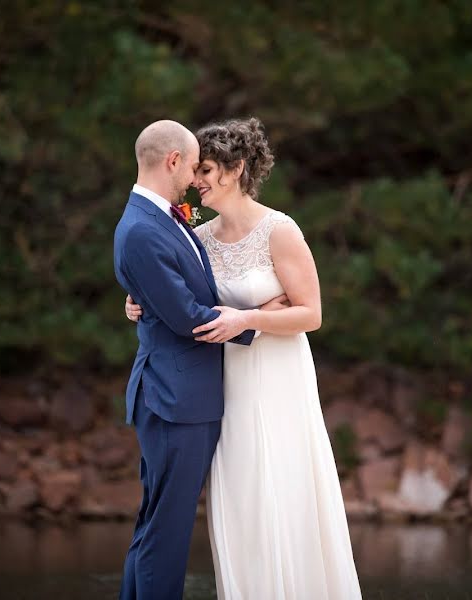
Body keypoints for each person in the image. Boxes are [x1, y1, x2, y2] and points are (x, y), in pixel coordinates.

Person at [124, 117, 362, 599]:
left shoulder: (280, 229)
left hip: (276, 379)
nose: (196, 181)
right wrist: (137, 300)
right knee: (240, 499)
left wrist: (248, 320)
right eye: (195, 170)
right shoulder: (199, 236)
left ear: (233, 171)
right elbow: (175, 288)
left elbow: (311, 314)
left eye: (206, 170)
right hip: (223, 381)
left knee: (281, 488)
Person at [113, 120, 266, 600]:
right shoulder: (142, 228)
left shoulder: (161, 218)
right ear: (172, 161)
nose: (196, 178)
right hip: (174, 400)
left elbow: (168, 293)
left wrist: (140, 303)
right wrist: (258, 321)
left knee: (157, 525)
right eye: (194, 164)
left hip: (178, 396)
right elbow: (186, 317)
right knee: (168, 533)